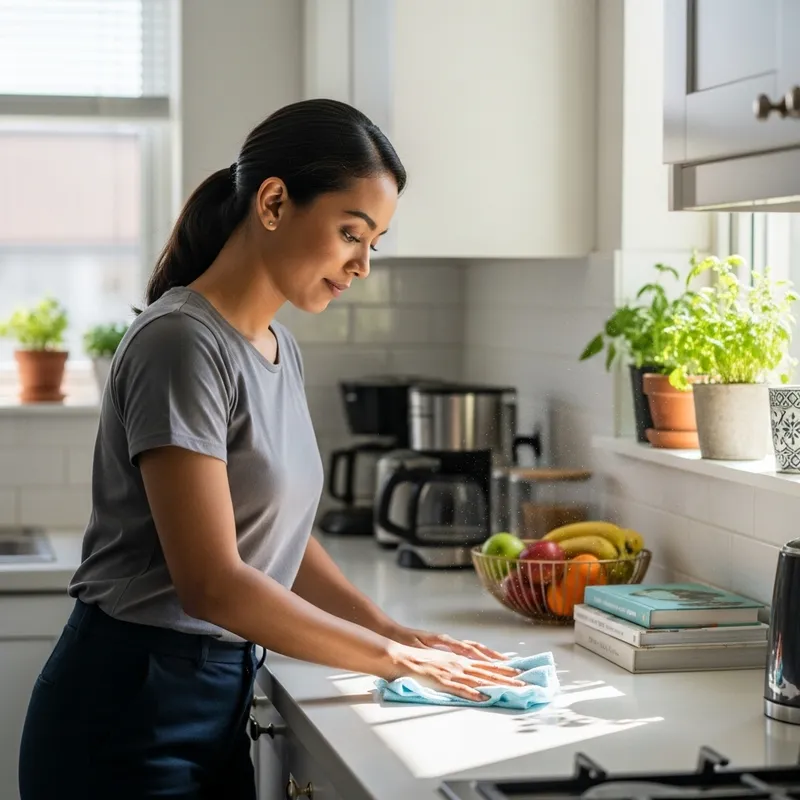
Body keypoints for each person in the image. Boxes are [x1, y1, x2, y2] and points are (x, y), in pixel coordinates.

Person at [18, 99, 522, 800]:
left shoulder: (276, 347)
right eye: (352, 232)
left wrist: (392, 629)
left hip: (211, 696)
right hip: (128, 711)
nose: (363, 264)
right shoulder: (181, 343)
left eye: (374, 241)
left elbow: (276, 538)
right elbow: (214, 582)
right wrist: (390, 659)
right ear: (275, 202)